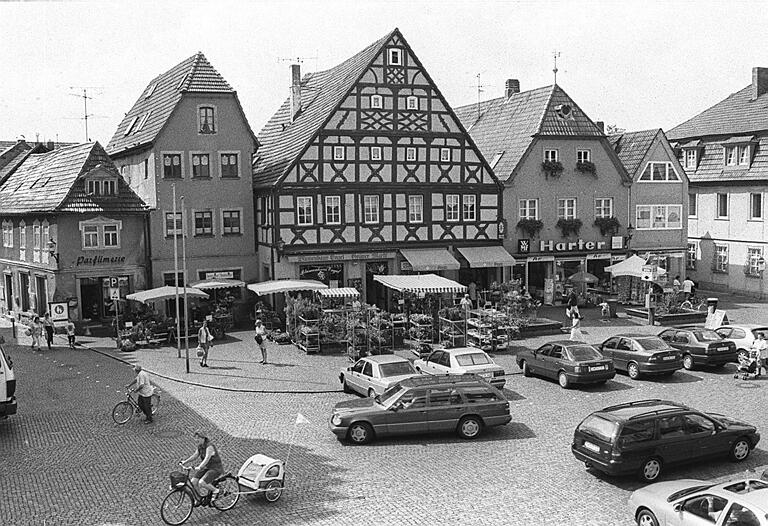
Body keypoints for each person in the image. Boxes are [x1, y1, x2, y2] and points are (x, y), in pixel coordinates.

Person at [181, 431, 224, 502]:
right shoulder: (200, 446)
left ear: (203, 438)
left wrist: (200, 466)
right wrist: (185, 462)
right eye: (195, 438)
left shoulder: (209, 446)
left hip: (215, 468)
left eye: (198, 438)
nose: (196, 440)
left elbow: (207, 458)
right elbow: (195, 455)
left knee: (202, 483)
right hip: (206, 467)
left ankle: (217, 491)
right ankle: (199, 499)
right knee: (193, 482)